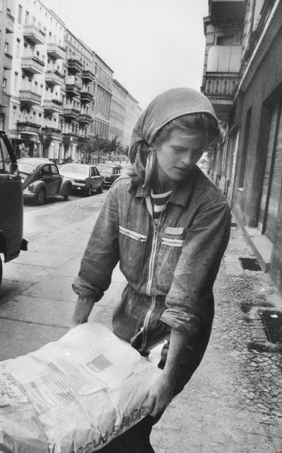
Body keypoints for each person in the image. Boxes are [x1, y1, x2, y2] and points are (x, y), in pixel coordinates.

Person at [71, 87, 231, 452]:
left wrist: (168, 375)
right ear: (152, 143)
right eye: (179, 149)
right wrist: (72, 338)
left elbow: (187, 299)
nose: (190, 160)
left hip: (177, 334)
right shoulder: (121, 194)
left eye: (199, 151)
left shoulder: (210, 207)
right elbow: (94, 267)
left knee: (130, 428)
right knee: (102, 420)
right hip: (128, 318)